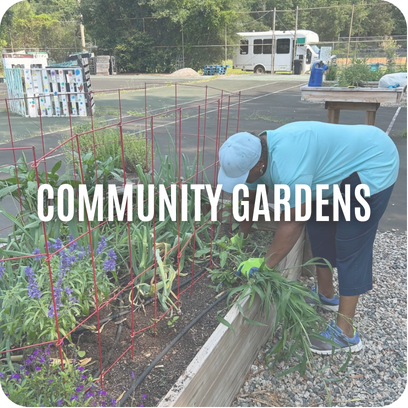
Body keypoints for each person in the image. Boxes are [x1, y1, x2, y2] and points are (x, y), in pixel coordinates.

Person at [217, 121, 399, 354]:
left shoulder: (289, 166)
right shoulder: (255, 152)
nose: (243, 181)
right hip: (334, 170)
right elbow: (250, 199)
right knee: (318, 229)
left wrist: (265, 266)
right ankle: (326, 293)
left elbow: (292, 222)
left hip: (372, 163)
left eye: (244, 176)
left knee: (350, 244)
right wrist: (240, 237)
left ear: (260, 165)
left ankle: (346, 334)